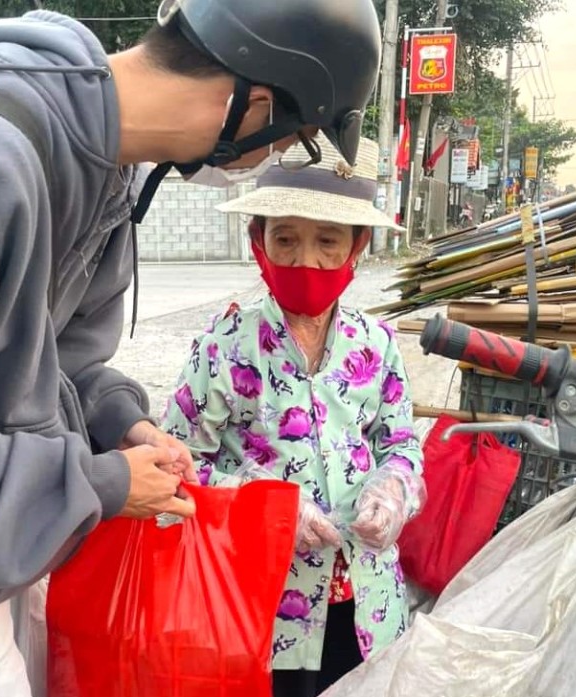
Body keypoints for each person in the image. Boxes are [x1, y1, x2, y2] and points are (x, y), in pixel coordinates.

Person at [0, 0, 382, 694]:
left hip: (5, 541)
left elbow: (64, 363)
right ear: (251, 106)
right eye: (285, 143)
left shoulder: (109, 174)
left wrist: (122, 423)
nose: (268, 163)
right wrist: (104, 482)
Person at [162, 135, 425, 697]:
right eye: (285, 239)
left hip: (366, 603)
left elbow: (401, 442)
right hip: (259, 609)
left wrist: (394, 487)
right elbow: (176, 463)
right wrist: (264, 505)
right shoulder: (224, 346)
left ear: (357, 247)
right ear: (259, 242)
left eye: (328, 241)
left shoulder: (376, 343)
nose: (306, 260)